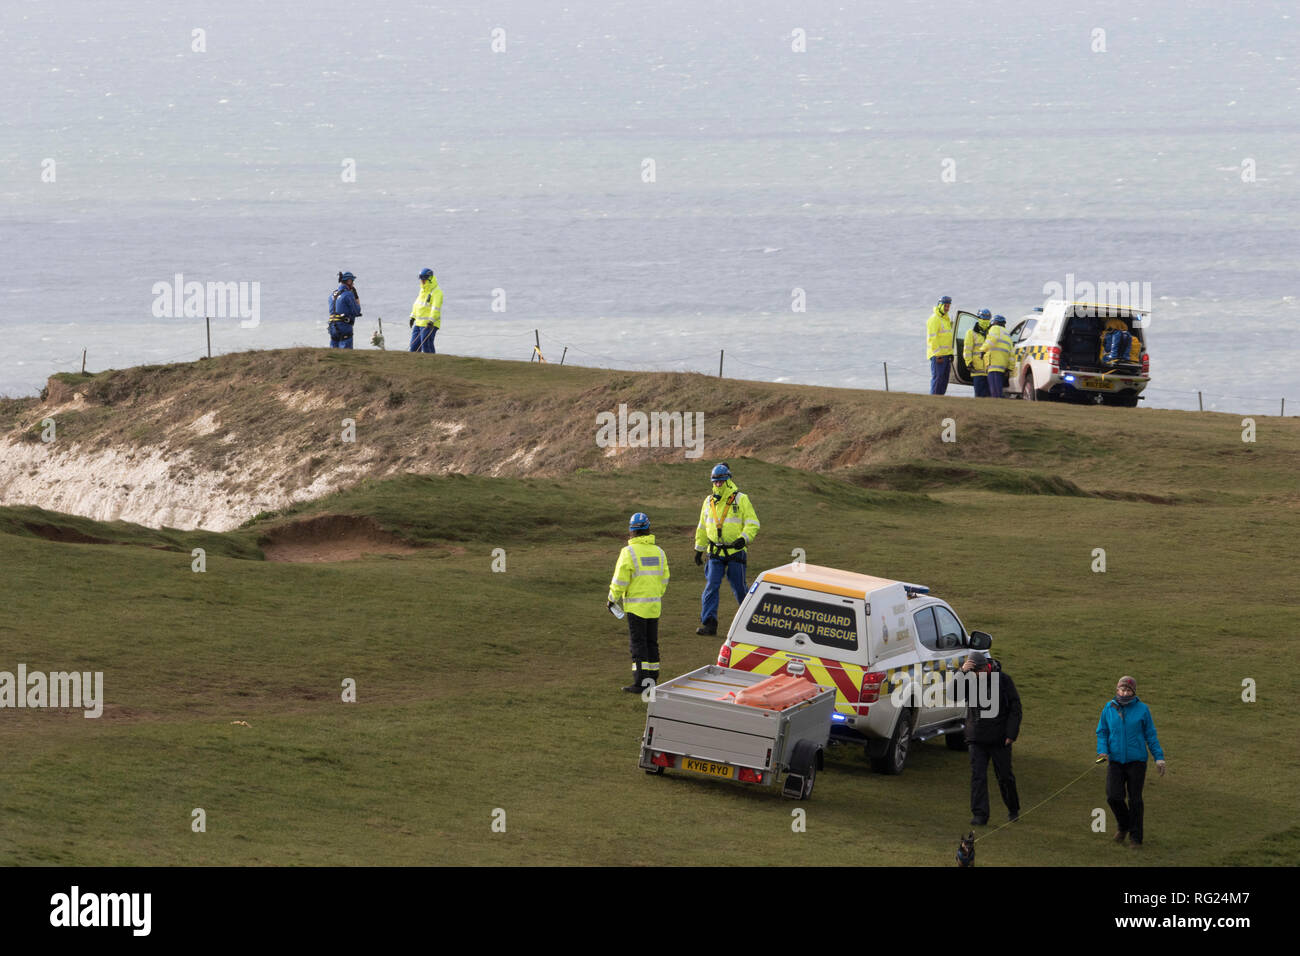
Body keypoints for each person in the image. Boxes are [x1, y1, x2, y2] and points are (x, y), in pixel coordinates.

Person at [1096, 675, 1166, 848]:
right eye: (1122, 689)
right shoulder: (1109, 707)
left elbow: (1151, 735)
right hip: (1115, 761)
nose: (1124, 692)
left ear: (1134, 692)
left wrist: (1159, 758)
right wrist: (1103, 751)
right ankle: (1124, 825)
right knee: (1113, 797)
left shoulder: (1143, 709)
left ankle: (1136, 838)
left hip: (1137, 762)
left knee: (1135, 800)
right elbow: (1102, 731)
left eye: (1128, 690)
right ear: (1116, 690)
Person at [693, 462, 760, 636]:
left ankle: (752, 622)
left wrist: (743, 539)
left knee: (739, 588)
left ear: (728, 479)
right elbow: (702, 527)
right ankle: (709, 624)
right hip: (714, 552)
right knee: (711, 586)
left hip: (735, 552)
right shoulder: (708, 501)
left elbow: (752, 524)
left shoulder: (741, 499)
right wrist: (699, 549)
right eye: (715, 481)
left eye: (721, 481)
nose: (717, 484)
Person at [607, 512, 670, 693]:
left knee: (638, 645)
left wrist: (612, 599)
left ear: (631, 531)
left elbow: (620, 580)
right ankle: (652, 680)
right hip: (654, 606)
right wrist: (657, 594)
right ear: (648, 529)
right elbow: (664, 578)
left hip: (636, 608)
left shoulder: (628, 553)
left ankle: (640, 683)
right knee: (652, 643)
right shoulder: (659, 552)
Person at [962, 651, 1022, 826]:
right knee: (977, 777)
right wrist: (961, 672)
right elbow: (952, 695)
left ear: (986, 668)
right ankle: (980, 815)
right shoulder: (969, 679)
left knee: (1004, 776)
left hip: (1000, 739)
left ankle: (1013, 808)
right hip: (976, 737)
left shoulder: (1003, 681)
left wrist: (1011, 734)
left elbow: (1015, 708)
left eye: (976, 672)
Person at [409, 267, 443, 353]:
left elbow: (436, 308)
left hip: (430, 324)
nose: (422, 281)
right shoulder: (422, 290)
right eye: (421, 279)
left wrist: (431, 321)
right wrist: (412, 316)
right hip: (419, 323)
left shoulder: (437, 292)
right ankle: (415, 365)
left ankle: (432, 363)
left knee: (426, 345)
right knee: (413, 347)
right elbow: (417, 304)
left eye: (424, 278)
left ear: (430, 278)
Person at [979, 314, 1015, 398]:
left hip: (994, 362)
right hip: (1003, 364)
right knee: (999, 387)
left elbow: (991, 340)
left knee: (994, 389)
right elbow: (1012, 352)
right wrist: (1010, 367)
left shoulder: (995, 328)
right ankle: (999, 403)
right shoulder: (1007, 334)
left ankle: (997, 404)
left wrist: (983, 350)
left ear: (994, 322)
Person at [927, 296, 956, 395]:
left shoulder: (946, 319)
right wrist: (938, 354)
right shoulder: (934, 319)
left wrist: (951, 353)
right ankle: (934, 399)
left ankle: (940, 399)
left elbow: (948, 338)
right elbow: (932, 338)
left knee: (944, 379)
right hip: (938, 356)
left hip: (946, 355)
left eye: (948, 306)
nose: (947, 308)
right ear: (940, 305)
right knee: (938, 378)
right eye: (945, 306)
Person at [963, 309, 993, 397]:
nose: (985, 321)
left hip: (989, 370)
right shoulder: (971, 333)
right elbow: (967, 350)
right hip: (977, 370)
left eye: (987, 319)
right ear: (979, 319)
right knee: (979, 396)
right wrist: (968, 362)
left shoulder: (991, 333)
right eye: (983, 319)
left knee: (990, 397)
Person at [327, 271, 361, 349]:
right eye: (352, 281)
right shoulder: (348, 294)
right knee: (346, 353)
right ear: (349, 281)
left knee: (333, 351)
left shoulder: (332, 294)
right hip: (344, 327)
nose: (353, 284)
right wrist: (356, 296)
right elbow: (357, 311)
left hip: (332, 326)